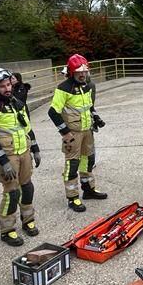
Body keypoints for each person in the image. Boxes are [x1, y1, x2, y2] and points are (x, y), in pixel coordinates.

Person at [0, 66, 41, 247]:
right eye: (2, 86)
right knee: (12, 193)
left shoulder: (18, 104)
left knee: (28, 188)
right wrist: (3, 161)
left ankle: (28, 220)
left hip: (24, 153)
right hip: (8, 157)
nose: (7, 89)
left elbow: (27, 128)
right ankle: (7, 230)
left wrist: (36, 149)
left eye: (8, 85)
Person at [48, 53, 107, 212]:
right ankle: (73, 197)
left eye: (84, 71)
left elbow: (89, 107)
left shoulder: (87, 86)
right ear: (71, 72)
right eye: (79, 72)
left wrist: (96, 117)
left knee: (88, 160)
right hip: (72, 133)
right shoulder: (63, 89)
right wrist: (65, 132)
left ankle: (88, 189)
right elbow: (53, 112)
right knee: (72, 164)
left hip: (87, 130)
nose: (82, 75)